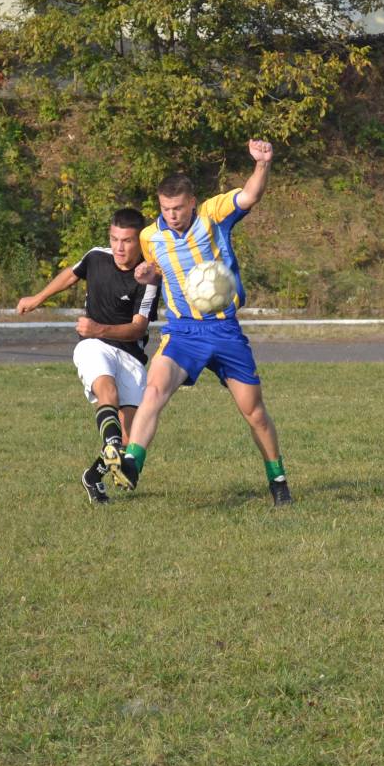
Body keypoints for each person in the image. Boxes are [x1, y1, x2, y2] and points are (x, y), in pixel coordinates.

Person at [114, 139, 292, 505]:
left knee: (254, 412)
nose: (172, 214)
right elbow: (156, 271)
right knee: (154, 390)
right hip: (183, 332)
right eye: (166, 208)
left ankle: (278, 480)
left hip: (225, 330)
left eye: (178, 207)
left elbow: (251, 195)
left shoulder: (213, 215)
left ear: (192, 202)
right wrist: (147, 273)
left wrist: (262, 164)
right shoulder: (150, 236)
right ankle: (131, 464)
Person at [17, 208, 160, 504]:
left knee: (131, 438)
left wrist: (99, 327)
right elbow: (71, 274)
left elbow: (137, 328)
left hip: (131, 355)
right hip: (93, 344)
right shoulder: (96, 256)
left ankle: (93, 476)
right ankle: (111, 443)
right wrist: (37, 298)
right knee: (107, 391)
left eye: (127, 241)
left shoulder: (148, 278)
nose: (119, 247)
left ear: (140, 242)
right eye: (114, 239)